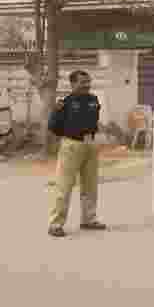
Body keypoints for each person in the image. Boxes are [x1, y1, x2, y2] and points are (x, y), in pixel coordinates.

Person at [46, 70, 105, 237]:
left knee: (90, 186)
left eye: (88, 82)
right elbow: (53, 126)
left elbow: (95, 120)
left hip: (90, 144)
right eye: (82, 82)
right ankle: (55, 224)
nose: (87, 85)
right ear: (72, 84)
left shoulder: (94, 100)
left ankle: (89, 219)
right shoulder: (64, 103)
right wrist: (69, 136)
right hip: (71, 145)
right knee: (64, 186)